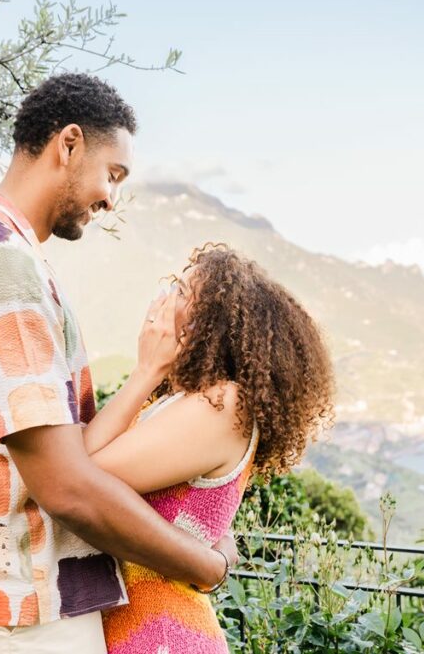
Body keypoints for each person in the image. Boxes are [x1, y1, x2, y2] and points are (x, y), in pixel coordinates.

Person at [0, 73, 236, 654]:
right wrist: (204, 566)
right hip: (16, 605)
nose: (111, 198)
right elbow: (65, 487)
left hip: (18, 599)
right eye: (113, 174)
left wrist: (145, 375)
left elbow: (70, 451)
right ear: (69, 144)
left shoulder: (4, 251)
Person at [88, 244, 336, 653]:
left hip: (161, 635)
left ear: (213, 323)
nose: (166, 299)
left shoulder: (224, 405)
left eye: (183, 291)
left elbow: (82, 478)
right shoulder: (190, 400)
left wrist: (146, 369)